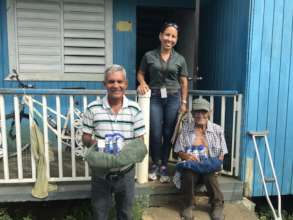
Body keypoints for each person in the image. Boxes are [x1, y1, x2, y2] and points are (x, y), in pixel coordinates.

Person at [82, 64, 146, 220]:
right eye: (111, 82)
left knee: (125, 213)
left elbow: (140, 141)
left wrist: (126, 152)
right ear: (105, 84)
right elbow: (85, 138)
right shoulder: (93, 108)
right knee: (99, 213)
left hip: (126, 171)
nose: (115, 85)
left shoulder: (135, 109)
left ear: (126, 84)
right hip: (101, 172)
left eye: (119, 81)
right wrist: (98, 144)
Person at [137, 22, 188, 183]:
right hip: (155, 96)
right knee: (155, 132)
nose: (170, 39)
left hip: (173, 97)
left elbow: (184, 82)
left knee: (168, 133)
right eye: (167, 35)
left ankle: (165, 165)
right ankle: (155, 163)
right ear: (160, 36)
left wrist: (184, 102)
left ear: (176, 39)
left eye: (173, 36)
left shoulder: (180, 59)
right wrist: (142, 82)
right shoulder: (149, 55)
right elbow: (140, 73)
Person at [174, 98, 228, 220]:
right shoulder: (186, 129)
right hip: (192, 166)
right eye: (197, 112)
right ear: (192, 114)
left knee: (209, 174)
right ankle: (188, 205)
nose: (200, 115)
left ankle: (217, 205)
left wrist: (212, 164)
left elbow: (222, 153)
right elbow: (178, 150)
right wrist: (187, 156)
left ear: (209, 112)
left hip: (209, 167)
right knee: (188, 173)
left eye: (203, 112)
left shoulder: (217, 130)